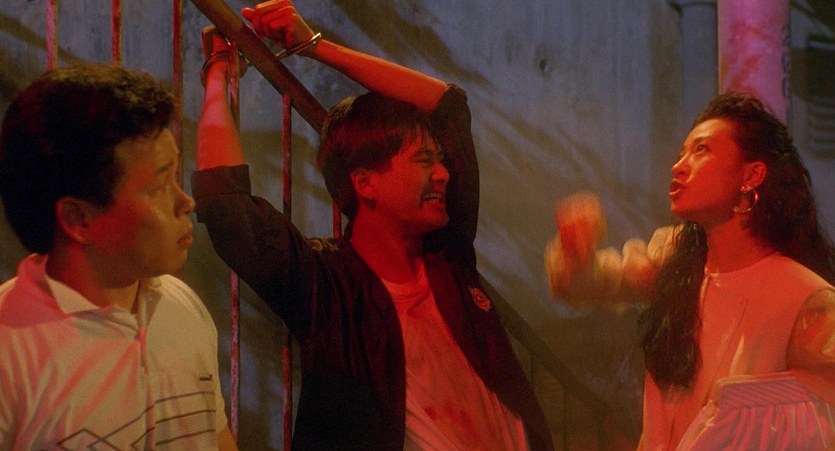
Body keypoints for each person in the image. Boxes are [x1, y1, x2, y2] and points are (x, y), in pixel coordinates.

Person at [192, 1, 553, 449]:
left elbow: (447, 106)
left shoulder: (447, 254)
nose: (444, 174)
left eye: (441, 160)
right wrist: (218, 74)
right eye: (424, 160)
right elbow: (226, 205)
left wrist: (314, 46)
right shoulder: (328, 287)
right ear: (365, 182)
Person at [545, 92, 835, 450]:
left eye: (701, 150)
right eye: (682, 153)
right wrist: (576, 251)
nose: (678, 166)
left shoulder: (803, 298)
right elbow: (586, 284)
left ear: (752, 174)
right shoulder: (676, 260)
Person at [0, 63, 236, 450]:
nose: (186, 202)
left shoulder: (179, 304)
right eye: (159, 186)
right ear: (78, 219)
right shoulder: (11, 354)